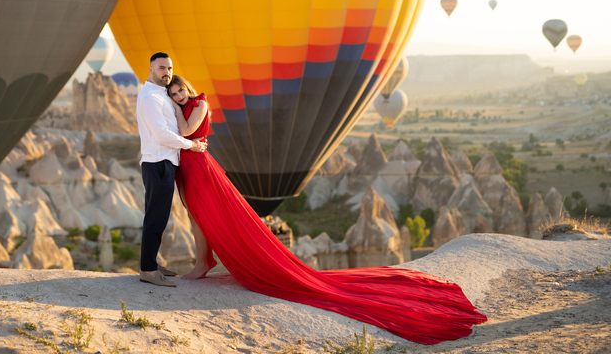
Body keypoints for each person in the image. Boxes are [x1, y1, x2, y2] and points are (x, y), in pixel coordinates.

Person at [167, 74, 487, 345]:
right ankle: (203, 260)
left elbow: (185, 131)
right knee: (197, 217)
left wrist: (175, 111)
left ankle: (205, 262)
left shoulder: (199, 104)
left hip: (200, 165)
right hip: (190, 166)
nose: (178, 95)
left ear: (187, 88)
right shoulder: (185, 106)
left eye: (179, 90)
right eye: (173, 94)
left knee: (211, 215)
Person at [136, 53, 207, 287]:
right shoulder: (149, 97)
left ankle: (152, 263)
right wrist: (192, 145)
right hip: (158, 161)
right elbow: (162, 135)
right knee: (156, 216)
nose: (166, 72)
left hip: (165, 161)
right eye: (161, 68)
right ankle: (147, 269)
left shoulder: (161, 94)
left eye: (169, 67)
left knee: (159, 215)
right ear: (150, 69)